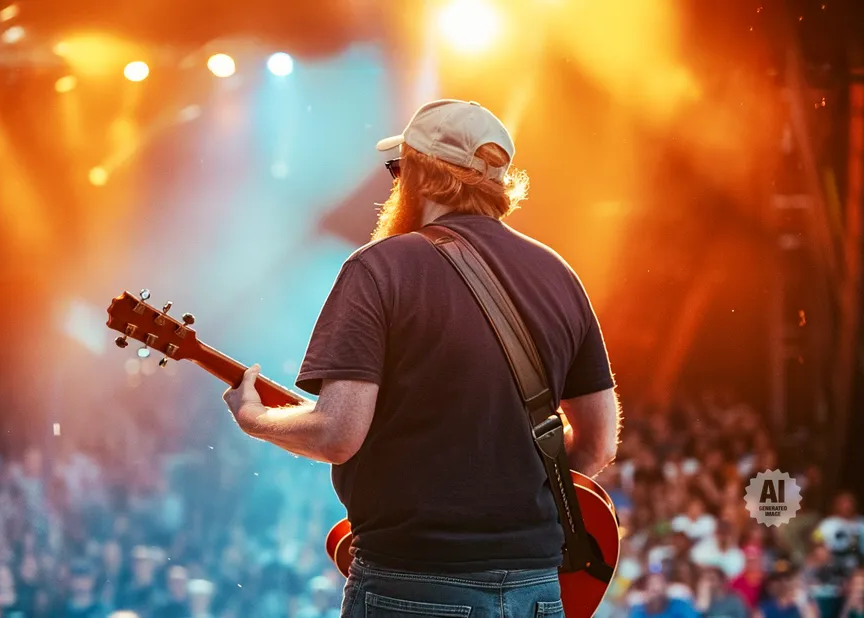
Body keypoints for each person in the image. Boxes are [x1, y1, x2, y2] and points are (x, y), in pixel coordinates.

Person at [223, 99, 621, 616]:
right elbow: (598, 442)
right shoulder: (558, 273)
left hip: (413, 587)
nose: (395, 186)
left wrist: (254, 419)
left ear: (425, 178)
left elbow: (339, 434)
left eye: (399, 170)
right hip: (539, 593)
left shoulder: (380, 267)